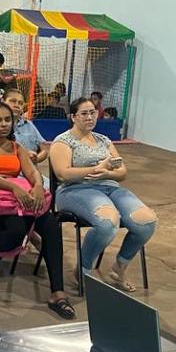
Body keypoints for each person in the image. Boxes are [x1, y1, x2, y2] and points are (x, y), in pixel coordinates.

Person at [0, 101, 73, 318]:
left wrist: (36, 187)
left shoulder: (17, 147)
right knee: (17, 227)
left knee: (52, 226)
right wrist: (15, 188)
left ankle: (57, 293)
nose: (4, 124)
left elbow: (32, 172)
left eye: (7, 120)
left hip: (18, 200)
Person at [50, 97, 158, 291]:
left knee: (146, 221)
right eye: (84, 114)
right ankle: (83, 269)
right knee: (108, 222)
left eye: (92, 112)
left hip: (109, 186)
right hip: (75, 189)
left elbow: (122, 171)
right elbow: (62, 173)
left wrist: (108, 173)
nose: (90, 117)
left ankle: (118, 270)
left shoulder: (103, 140)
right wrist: (95, 169)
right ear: (73, 117)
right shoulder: (63, 141)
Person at [5, 88, 49, 165]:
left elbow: (44, 149)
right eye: (12, 101)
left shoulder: (29, 125)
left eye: (20, 103)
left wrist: (36, 159)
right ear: (3, 102)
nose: (16, 105)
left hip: (31, 172)